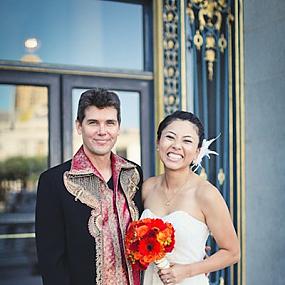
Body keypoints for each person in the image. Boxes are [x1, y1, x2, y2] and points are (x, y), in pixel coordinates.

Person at [35, 88, 143, 285]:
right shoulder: (53, 181)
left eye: (110, 123)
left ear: (118, 127)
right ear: (79, 126)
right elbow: (51, 263)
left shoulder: (133, 174)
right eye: (93, 122)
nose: (102, 131)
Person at [141, 111, 240, 285]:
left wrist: (186, 271)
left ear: (197, 152)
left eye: (187, 141)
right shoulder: (147, 187)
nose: (176, 146)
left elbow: (232, 252)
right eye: (170, 137)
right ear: (158, 143)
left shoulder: (206, 194)